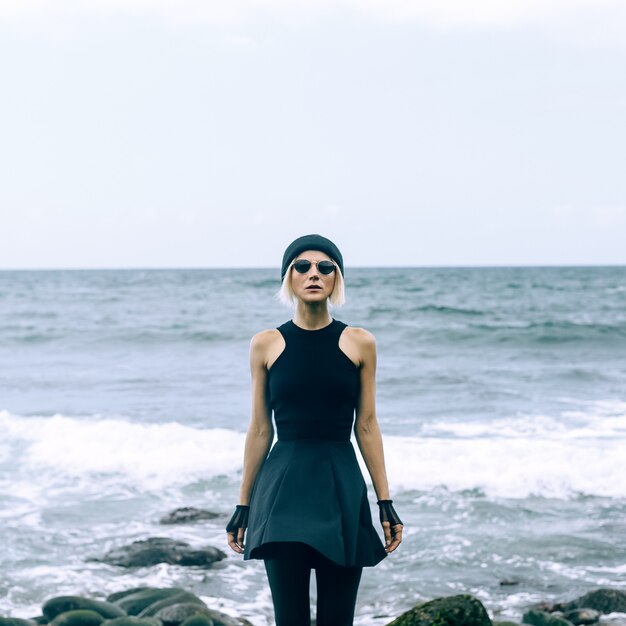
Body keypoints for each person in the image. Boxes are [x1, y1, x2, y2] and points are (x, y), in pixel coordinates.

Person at [226, 234, 403, 626]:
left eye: (326, 267)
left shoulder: (360, 342)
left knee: (337, 620)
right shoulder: (265, 344)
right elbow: (259, 429)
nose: (313, 274)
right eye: (301, 266)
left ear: (336, 279)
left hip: (341, 485)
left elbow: (368, 425)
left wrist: (384, 500)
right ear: (288, 278)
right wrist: (243, 504)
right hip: (282, 490)